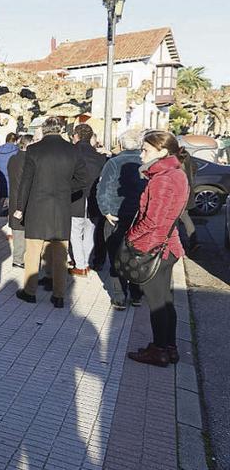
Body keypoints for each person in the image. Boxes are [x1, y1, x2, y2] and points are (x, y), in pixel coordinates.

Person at [126, 131, 189, 367]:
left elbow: (153, 220)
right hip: (167, 245)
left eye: (146, 150)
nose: (141, 154)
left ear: (162, 152)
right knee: (165, 300)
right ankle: (168, 347)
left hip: (155, 247)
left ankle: (160, 350)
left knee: (157, 302)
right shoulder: (175, 173)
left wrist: (131, 237)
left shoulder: (163, 178)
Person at [14, 117, 87, 308]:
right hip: (62, 207)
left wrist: (19, 208)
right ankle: (59, 295)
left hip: (37, 207)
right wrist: (65, 188)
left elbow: (26, 182)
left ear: (44, 130)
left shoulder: (34, 149)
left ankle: (30, 292)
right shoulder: (72, 150)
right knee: (60, 253)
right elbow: (83, 178)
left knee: (33, 251)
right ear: (61, 129)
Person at [97, 128, 147, 310]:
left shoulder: (114, 163)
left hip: (117, 216)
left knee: (116, 257)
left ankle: (119, 296)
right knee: (136, 256)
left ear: (120, 143)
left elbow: (102, 188)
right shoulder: (146, 162)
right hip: (139, 217)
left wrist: (106, 211)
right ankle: (136, 294)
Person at [68, 124, 107, 276]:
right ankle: (85, 261)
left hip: (76, 197)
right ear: (91, 137)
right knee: (90, 231)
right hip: (94, 198)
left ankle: (80, 264)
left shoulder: (71, 153)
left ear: (75, 136)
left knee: (75, 232)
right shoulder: (100, 157)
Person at [7, 134, 33, 268]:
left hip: (13, 196)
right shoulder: (29, 160)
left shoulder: (13, 159)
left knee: (17, 231)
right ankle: (22, 258)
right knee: (24, 230)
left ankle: (17, 258)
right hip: (25, 198)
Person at [0, 132, 20, 239]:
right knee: (13, 208)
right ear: (16, 140)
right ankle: (11, 231)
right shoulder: (17, 152)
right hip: (13, 184)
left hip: (0, 183)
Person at [179, 154, 199, 251]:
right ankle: (193, 242)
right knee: (185, 217)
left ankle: (189, 242)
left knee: (180, 218)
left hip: (181, 194)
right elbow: (195, 167)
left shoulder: (177, 161)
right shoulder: (188, 159)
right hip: (188, 191)